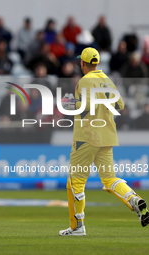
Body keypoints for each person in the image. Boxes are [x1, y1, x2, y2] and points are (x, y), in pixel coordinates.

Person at [59, 47, 149, 236]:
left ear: (83, 63)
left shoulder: (84, 81)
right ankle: (133, 199)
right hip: (107, 136)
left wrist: (69, 104)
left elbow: (87, 105)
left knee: (75, 182)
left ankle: (78, 227)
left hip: (86, 138)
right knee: (109, 180)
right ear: (97, 63)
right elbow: (121, 105)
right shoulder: (108, 81)